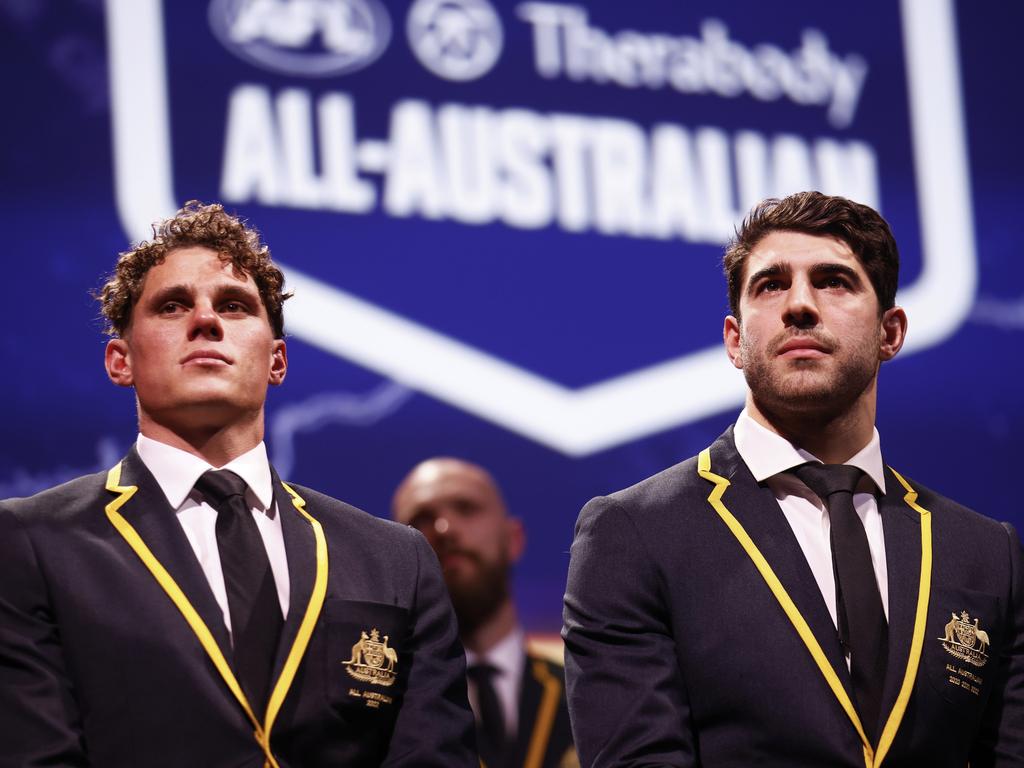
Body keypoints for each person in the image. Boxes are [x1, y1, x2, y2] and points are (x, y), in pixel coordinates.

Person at [0, 202, 477, 767]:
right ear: (119, 360)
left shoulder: (395, 560)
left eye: (233, 305)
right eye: (173, 305)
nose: (206, 321)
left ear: (277, 360)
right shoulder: (32, 543)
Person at [563, 191, 1024, 767]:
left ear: (891, 332)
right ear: (735, 340)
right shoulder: (634, 532)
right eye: (771, 284)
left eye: (834, 281)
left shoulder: (985, 553)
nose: (800, 304)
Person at [393, 458, 577, 768]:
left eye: (465, 508)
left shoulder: (587, 695)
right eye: (421, 518)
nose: (445, 529)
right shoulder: (382, 706)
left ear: (513, 539)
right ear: (395, 556)